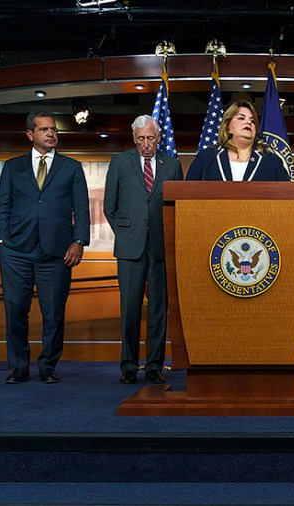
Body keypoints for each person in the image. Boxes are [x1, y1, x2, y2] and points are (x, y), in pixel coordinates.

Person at [0, 111, 90, 385]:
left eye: (54, 130)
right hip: (16, 251)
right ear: (30, 134)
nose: (51, 134)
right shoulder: (12, 167)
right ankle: (18, 367)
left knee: (54, 312)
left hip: (56, 252)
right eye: (45, 130)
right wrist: (2, 239)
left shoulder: (71, 167)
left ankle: (48, 366)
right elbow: (2, 206)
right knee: (15, 310)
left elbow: (81, 209)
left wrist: (79, 241)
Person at [104, 115, 183, 385]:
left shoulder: (172, 165)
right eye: (141, 139)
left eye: (150, 138)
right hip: (129, 247)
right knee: (130, 308)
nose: (146, 144)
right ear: (134, 138)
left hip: (161, 246)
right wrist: (127, 234)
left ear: (158, 137)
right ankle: (128, 366)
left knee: (159, 309)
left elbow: (177, 209)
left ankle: (154, 366)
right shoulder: (119, 162)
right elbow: (109, 207)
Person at [185, 99, 291, 182]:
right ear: (227, 126)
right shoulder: (208, 157)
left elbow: (287, 195)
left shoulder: (271, 160)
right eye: (241, 118)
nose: (248, 123)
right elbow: (187, 191)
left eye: (252, 121)